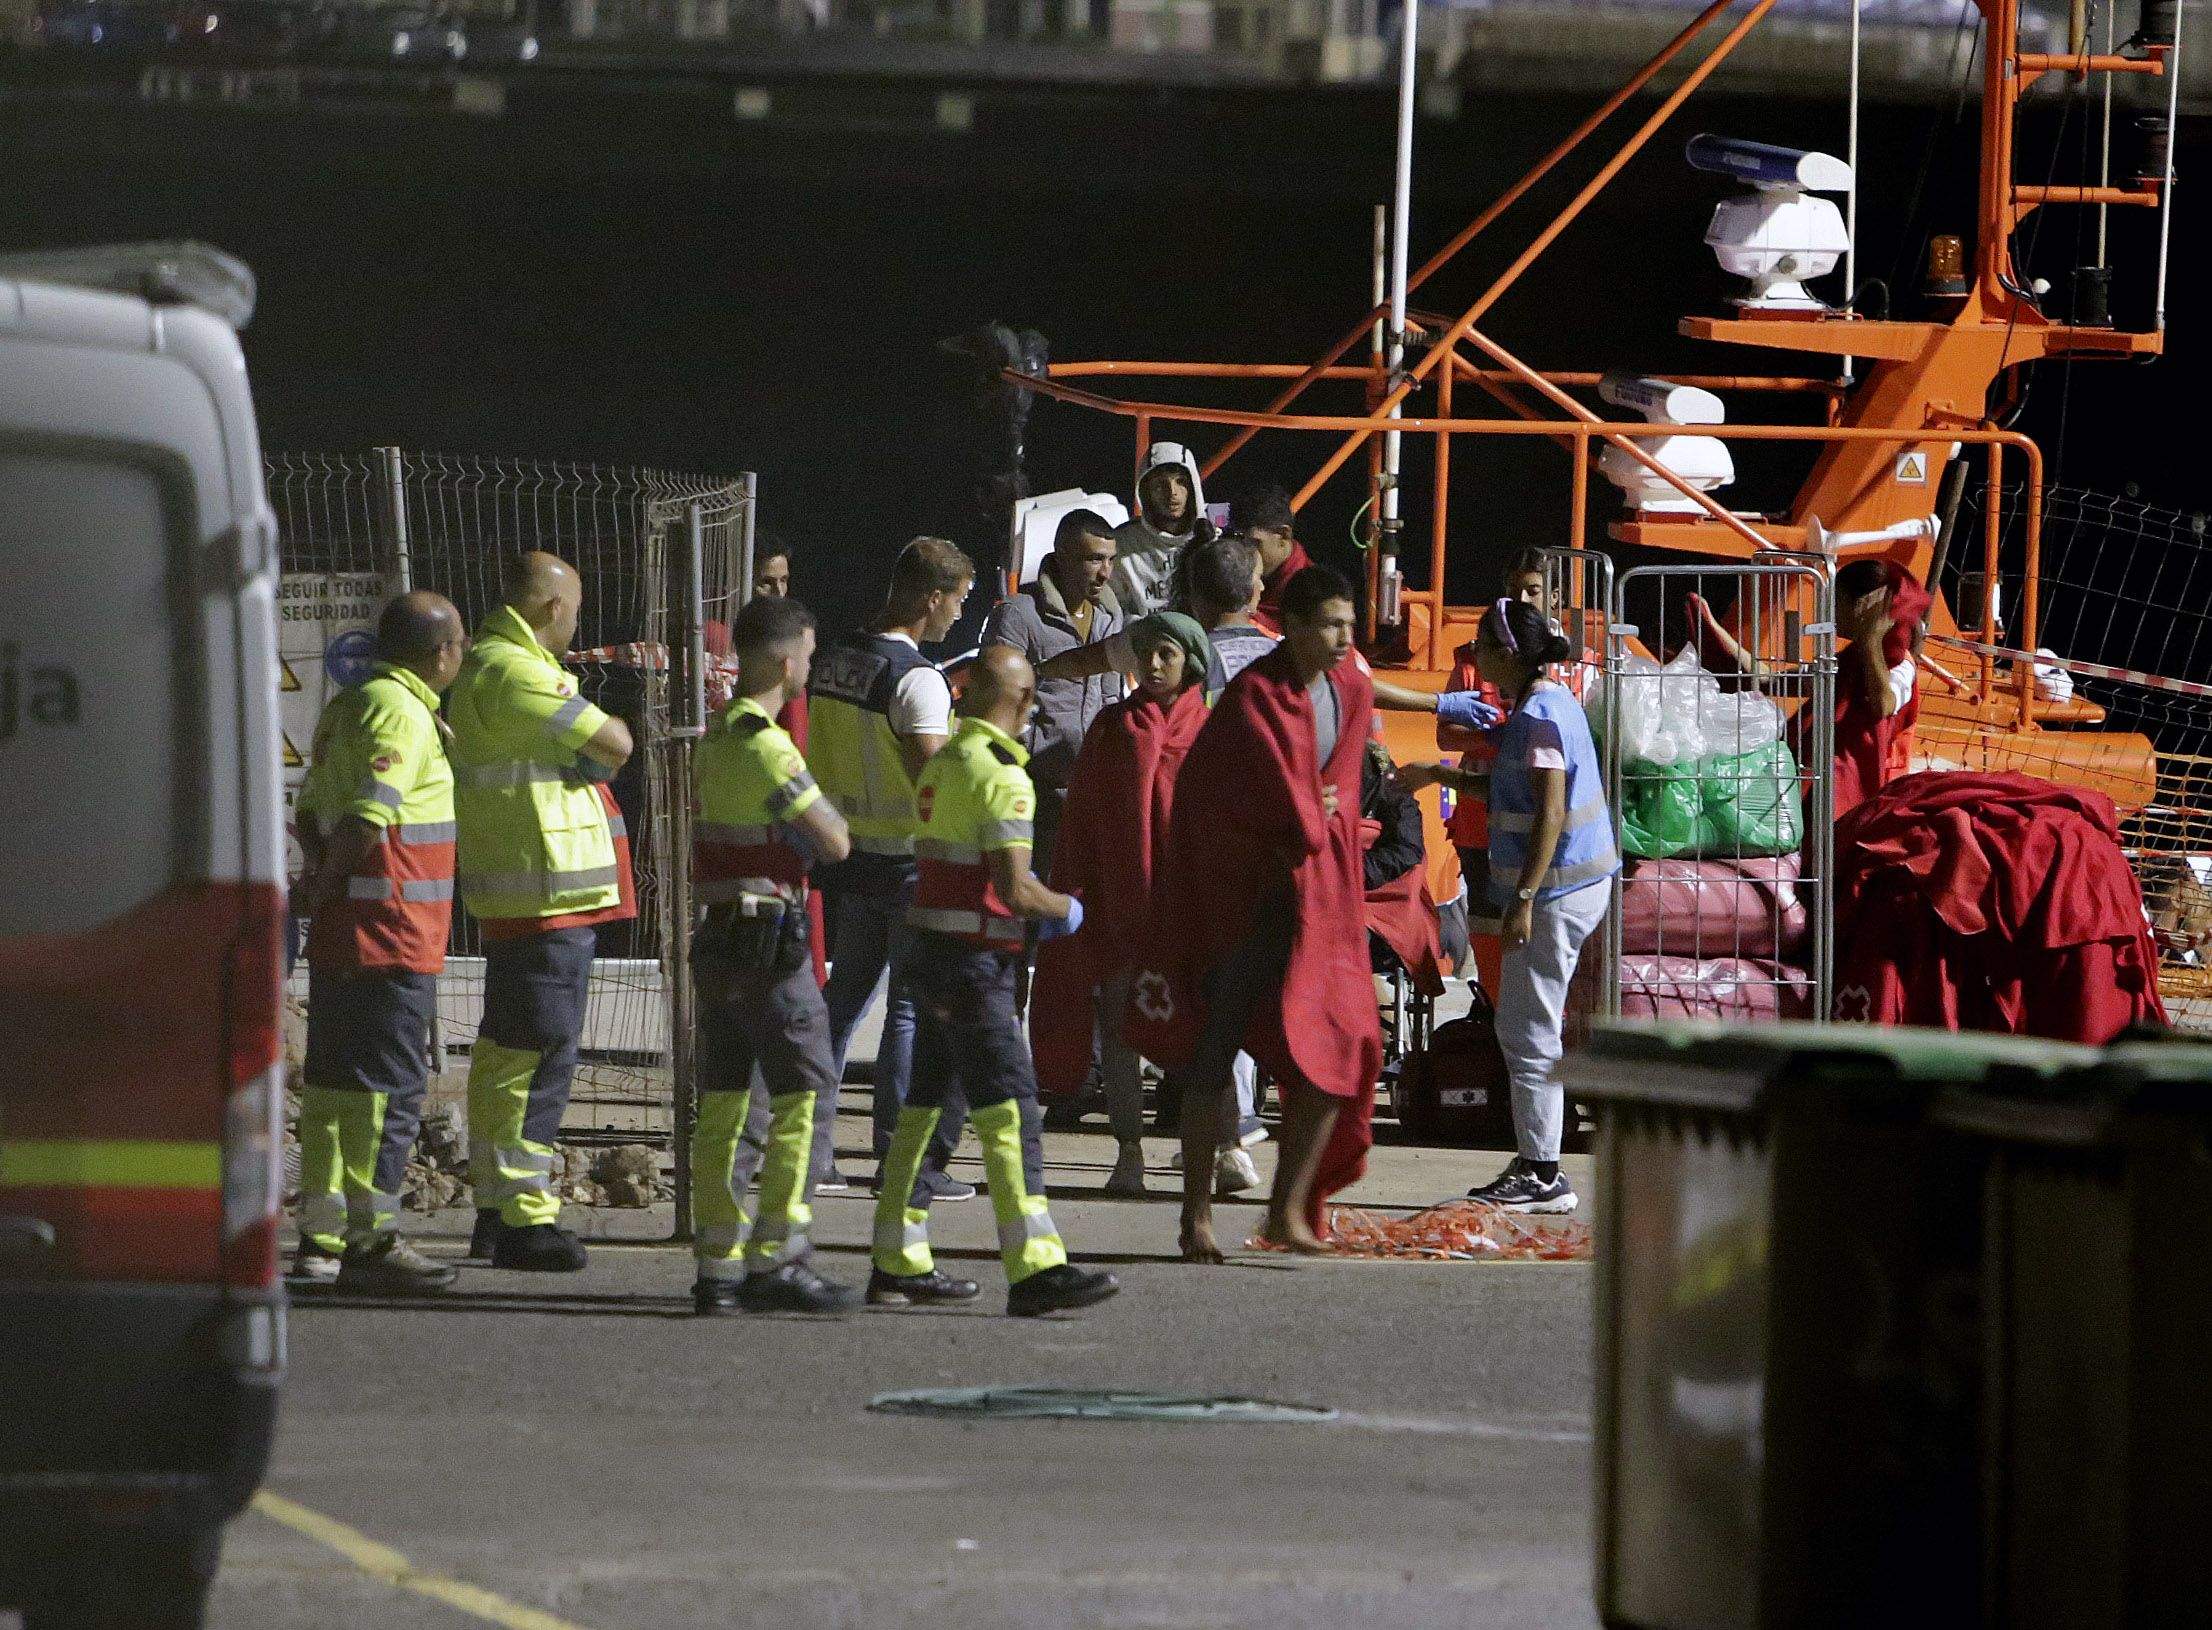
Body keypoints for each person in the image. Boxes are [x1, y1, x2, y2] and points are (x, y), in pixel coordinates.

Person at [1129, 565, 1383, 1262]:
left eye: (1348, 625)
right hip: (1238, 906)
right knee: (1214, 1055)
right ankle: (1196, 1216)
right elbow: (1237, 803)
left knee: (1343, 1047)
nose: (1343, 638)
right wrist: (1307, 809)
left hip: (1315, 902)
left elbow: (1337, 794)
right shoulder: (1253, 698)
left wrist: (1315, 811)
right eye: (1330, 625)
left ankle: (1287, 1208)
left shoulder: (1349, 690)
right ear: (1293, 627)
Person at [873, 646, 1122, 1316]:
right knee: (1009, 1112)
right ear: (1019, 700)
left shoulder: (945, 762)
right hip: (975, 968)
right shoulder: (1003, 776)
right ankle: (1036, 1267)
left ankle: (897, 1260)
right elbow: (1015, 889)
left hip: (928, 955)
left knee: (926, 1110)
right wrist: (1071, 911)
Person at [1400, 597, 1618, 1215]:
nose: (1476, 657)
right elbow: (1509, 788)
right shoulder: (1550, 704)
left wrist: (1522, 897)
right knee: (1531, 1026)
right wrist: (1434, 775)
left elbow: (1549, 809)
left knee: (1525, 1032)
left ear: (1510, 654)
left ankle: (1542, 1171)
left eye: (1484, 647)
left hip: (1553, 895)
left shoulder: (1536, 719)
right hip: (1574, 887)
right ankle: (1538, 1161)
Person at [450, 552, 636, 1272]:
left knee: (508, 1056)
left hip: (523, 891)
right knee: (539, 1060)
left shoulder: (487, 667)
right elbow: (615, 742)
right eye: (576, 611)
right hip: (547, 892)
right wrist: (605, 737)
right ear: (553, 609)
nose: (578, 624)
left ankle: (498, 1209)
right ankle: (525, 1217)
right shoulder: (517, 670)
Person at [688, 595, 863, 1315]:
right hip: (770, 941)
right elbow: (834, 839)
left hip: (719, 936)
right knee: (806, 1091)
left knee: (727, 1104)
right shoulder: (767, 743)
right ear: (786, 661)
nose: (810, 671)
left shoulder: (715, 738)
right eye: (809, 659)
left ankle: (717, 1268)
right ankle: (779, 1258)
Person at [292, 592, 469, 1293]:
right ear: (441, 652)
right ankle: (373, 1243)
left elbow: (309, 809)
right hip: (390, 932)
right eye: (459, 644)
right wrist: (333, 881)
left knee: (334, 1092)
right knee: (386, 1096)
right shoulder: (403, 711)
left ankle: (320, 1241)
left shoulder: (346, 707)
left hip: (344, 936)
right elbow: (369, 815)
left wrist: (318, 880)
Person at [807, 538, 978, 1203]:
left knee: (840, 1004)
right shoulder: (917, 681)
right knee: (907, 1014)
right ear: (933, 596)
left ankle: (813, 1154)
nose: (960, 616)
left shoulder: (836, 660)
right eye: (959, 600)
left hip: (851, 860)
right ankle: (901, 1163)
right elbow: (934, 782)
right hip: (908, 863)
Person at [1030, 612, 1213, 1197]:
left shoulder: (1211, 730)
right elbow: (1083, 819)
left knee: (1202, 1031)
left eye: (1167, 654)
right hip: (1120, 907)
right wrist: (1075, 892)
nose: (1154, 665)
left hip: (1186, 911)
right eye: (1145, 653)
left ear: (1191, 661)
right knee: (1119, 1032)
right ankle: (1128, 1148)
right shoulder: (1112, 728)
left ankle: (1213, 1149)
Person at [1690, 556, 1931, 820]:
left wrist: (1871, 637)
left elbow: (1883, 705)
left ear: (1862, 607)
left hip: (1855, 797)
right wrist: (1714, 631)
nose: (1830, 609)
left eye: (1837, 600)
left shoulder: (1901, 665)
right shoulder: (1847, 662)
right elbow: (1772, 680)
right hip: (1817, 784)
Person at [980, 506, 1127, 872]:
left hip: (1091, 789)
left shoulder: (1111, 616)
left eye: (1110, 560)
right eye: (1094, 559)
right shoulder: (1020, 614)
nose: (1105, 572)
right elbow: (997, 697)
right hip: (1034, 789)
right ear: (1062, 555)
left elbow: (1112, 697)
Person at [1110, 441, 1212, 616]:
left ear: (1194, 487)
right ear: (1145, 492)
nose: (1172, 491)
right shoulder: (1121, 545)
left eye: (1181, 482)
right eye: (1160, 484)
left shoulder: (1211, 541)